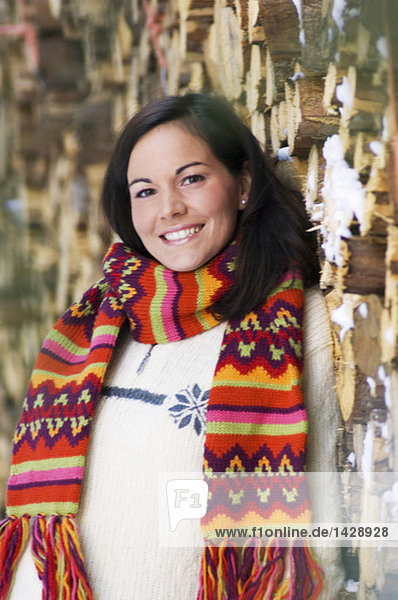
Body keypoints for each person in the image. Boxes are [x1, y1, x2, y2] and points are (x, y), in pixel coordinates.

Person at [0, 93, 342, 600]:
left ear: (243, 184)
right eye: (144, 191)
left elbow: (334, 526)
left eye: (192, 178)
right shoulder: (98, 325)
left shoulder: (298, 328)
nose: (169, 209)